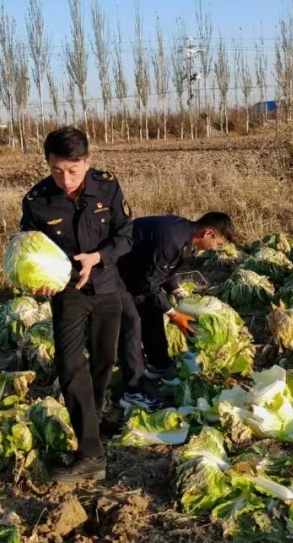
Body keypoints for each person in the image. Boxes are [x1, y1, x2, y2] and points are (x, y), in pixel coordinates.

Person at [19, 126, 132, 483]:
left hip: (107, 287)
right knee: (70, 367)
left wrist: (97, 257)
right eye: (56, 170)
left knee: (104, 361)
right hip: (67, 294)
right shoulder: (37, 201)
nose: (65, 180)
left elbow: (125, 235)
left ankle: (93, 421)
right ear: (47, 164)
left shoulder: (108, 187)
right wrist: (35, 282)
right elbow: (27, 249)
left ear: (87, 161)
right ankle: (90, 453)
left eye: (73, 170)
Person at [118, 212, 235, 388]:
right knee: (132, 323)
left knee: (153, 310)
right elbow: (149, 283)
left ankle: (159, 364)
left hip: (138, 271)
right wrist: (174, 315)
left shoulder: (184, 234)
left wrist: (176, 290)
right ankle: (134, 387)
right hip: (115, 272)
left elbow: (163, 269)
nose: (214, 248)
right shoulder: (172, 239)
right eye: (217, 243)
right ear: (208, 233)